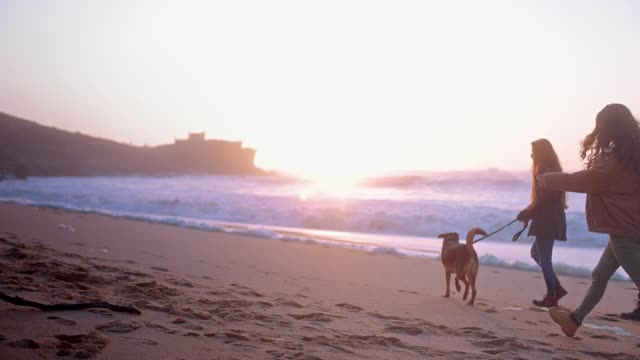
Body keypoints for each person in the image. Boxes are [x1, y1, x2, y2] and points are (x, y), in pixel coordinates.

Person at [537, 103, 640, 337]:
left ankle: (574, 319)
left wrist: (548, 179)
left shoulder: (616, 161)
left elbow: (586, 180)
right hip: (632, 227)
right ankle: (574, 320)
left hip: (623, 230)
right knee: (600, 275)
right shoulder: (634, 154)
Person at [517, 139, 568, 307]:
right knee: (536, 254)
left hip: (547, 220)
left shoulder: (544, 172)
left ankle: (552, 296)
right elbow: (545, 200)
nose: (531, 155)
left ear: (540, 153)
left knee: (545, 259)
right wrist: (529, 212)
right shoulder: (552, 171)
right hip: (551, 217)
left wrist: (527, 213)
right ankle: (556, 288)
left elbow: (544, 201)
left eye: (533, 152)